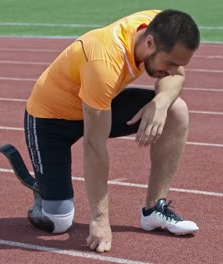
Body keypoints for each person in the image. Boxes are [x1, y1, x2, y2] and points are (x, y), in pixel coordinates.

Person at [24, 9, 200, 253]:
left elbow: (177, 76)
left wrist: (161, 102)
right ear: (149, 43)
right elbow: (94, 146)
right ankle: (42, 192)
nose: (173, 70)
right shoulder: (104, 61)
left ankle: (154, 209)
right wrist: (99, 219)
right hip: (51, 119)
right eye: (169, 63)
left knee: (175, 109)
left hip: (97, 101)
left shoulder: (163, 26)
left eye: (178, 64)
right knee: (58, 223)